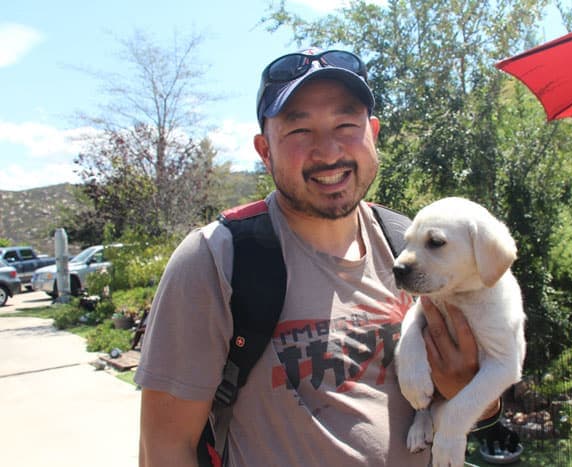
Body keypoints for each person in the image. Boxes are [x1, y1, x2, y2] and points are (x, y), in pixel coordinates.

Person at [135, 47, 502, 467]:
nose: (329, 152)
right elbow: (164, 448)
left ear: (373, 133)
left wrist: (474, 395)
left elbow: (475, 391)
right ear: (264, 149)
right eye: (299, 131)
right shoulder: (216, 259)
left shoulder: (412, 247)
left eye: (347, 125)